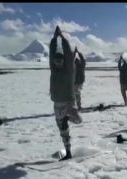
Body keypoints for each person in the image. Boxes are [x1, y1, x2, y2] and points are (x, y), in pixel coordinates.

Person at [49, 26, 82, 161]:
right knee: (62, 130)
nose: (58, 62)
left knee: (77, 120)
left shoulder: (69, 71)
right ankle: (68, 152)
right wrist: (53, 40)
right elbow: (51, 54)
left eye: (60, 60)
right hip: (57, 104)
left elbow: (68, 55)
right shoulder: (54, 71)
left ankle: (71, 116)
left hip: (68, 102)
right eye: (56, 60)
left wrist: (61, 38)